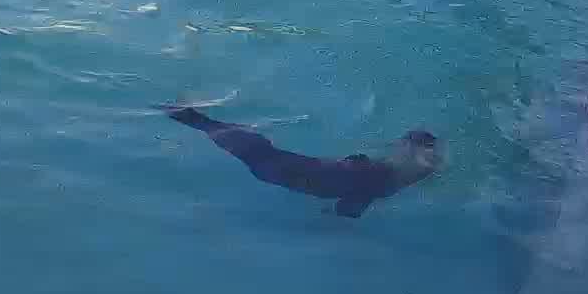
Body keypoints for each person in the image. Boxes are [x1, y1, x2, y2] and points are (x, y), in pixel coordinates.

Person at [161, 105, 440, 218]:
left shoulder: (381, 177)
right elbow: (349, 207)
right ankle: (186, 115)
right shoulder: (385, 180)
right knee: (240, 139)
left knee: (240, 140)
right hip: (289, 170)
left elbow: (349, 205)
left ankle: (183, 114)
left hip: (282, 170)